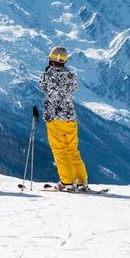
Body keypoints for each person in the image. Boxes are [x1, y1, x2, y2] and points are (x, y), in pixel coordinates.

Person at [38, 46, 89, 191]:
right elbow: (74, 87)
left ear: (51, 59)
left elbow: (42, 86)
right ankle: (81, 181)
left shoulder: (47, 75)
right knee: (72, 149)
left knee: (59, 150)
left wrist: (49, 71)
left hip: (54, 118)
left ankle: (66, 182)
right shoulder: (70, 75)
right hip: (70, 118)